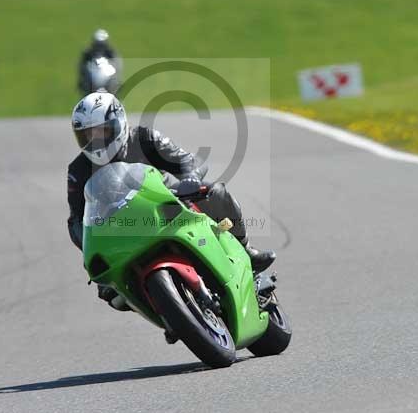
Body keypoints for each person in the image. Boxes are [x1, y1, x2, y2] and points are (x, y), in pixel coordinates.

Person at [66, 91, 276, 307]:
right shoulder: (78, 170)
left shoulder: (144, 138)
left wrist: (191, 179)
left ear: (118, 123)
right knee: (116, 298)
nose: (95, 141)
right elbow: (76, 219)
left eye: (102, 132)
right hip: (124, 231)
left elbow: (185, 161)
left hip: (167, 207)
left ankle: (245, 250)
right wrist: (90, 248)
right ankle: (168, 311)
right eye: (87, 135)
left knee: (215, 192)